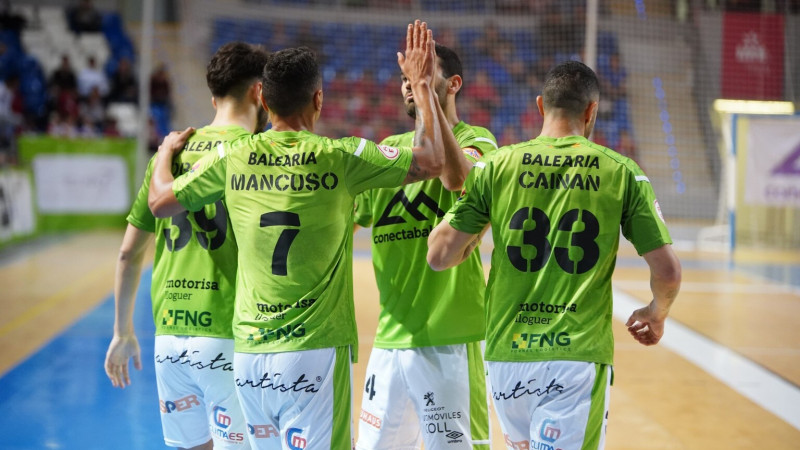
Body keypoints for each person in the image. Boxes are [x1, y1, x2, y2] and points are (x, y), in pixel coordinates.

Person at [147, 21, 461, 450]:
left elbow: (160, 201)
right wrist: (422, 86)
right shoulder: (339, 155)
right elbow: (431, 160)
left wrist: (165, 152)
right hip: (312, 353)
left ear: (264, 99)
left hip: (250, 354)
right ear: (318, 99)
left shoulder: (234, 156)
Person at [427, 60, 682, 450]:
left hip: (506, 358)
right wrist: (656, 313)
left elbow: (439, 255)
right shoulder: (622, 171)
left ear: (540, 106)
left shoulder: (495, 166)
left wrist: (474, 227)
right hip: (575, 357)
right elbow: (667, 273)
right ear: (591, 111)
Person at [103, 41, 270, 450]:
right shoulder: (257, 154)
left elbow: (127, 254)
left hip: (170, 338)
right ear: (259, 92)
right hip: (232, 334)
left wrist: (122, 331)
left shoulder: (169, 153)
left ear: (213, 96)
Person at [353, 43, 498, 450]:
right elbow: (345, 220)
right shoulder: (391, 150)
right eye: (404, 79)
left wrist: (424, 94)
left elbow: (458, 180)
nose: (408, 87)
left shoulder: (480, 142)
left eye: (420, 77)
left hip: (452, 336)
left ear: (453, 84)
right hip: (390, 337)